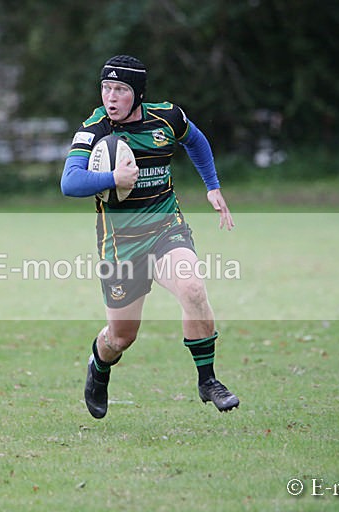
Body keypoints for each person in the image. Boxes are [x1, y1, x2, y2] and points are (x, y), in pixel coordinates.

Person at [60, 55, 239, 419]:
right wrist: (113, 179)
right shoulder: (95, 129)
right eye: (106, 88)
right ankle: (99, 368)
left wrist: (212, 186)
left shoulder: (167, 118)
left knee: (193, 288)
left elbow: (197, 141)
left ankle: (208, 381)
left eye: (120, 89)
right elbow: (70, 182)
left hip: (165, 228)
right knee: (121, 337)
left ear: (138, 93)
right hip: (121, 245)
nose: (111, 97)